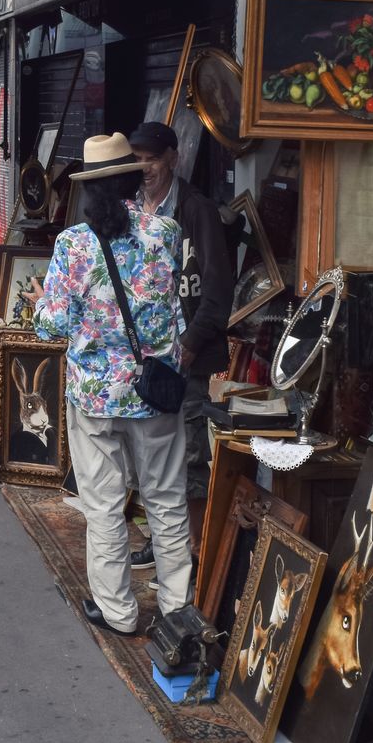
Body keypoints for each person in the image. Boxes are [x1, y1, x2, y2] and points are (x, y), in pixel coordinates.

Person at [32, 131, 192, 635]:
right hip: (155, 393)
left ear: (88, 190)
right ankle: (177, 608)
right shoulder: (164, 232)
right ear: (130, 181)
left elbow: (51, 326)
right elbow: (172, 308)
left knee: (103, 505)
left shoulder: (73, 245)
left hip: (97, 398)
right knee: (166, 501)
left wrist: (42, 297)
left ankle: (119, 611)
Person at [128, 120, 234, 558]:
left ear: (173, 157)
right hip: (146, 356)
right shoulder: (132, 207)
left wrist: (190, 345)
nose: (145, 168)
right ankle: (161, 541)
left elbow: (218, 287)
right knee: (151, 454)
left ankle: (192, 550)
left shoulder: (196, 210)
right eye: (137, 160)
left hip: (186, 353)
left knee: (189, 454)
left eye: (152, 158)